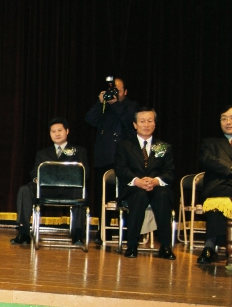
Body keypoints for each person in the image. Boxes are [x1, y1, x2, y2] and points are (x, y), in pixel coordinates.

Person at [11, 118, 90, 245]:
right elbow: (34, 171)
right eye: (53, 131)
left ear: (67, 131)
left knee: (81, 191)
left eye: (60, 130)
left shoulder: (79, 151)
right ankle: (23, 233)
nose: (57, 134)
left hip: (70, 190)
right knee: (25, 189)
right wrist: (36, 178)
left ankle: (78, 235)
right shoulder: (43, 153)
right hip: (47, 190)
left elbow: (85, 173)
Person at [114, 107, 175, 259]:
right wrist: (137, 181)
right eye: (142, 121)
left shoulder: (164, 147)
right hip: (133, 187)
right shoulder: (124, 145)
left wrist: (155, 181)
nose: (146, 125)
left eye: (150, 121)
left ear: (155, 124)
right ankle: (132, 245)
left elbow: (170, 172)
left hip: (157, 187)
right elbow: (121, 169)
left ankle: (165, 246)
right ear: (135, 124)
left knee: (163, 195)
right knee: (139, 196)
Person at [85, 77, 137, 232]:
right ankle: (103, 232)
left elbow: (130, 123)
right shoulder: (104, 106)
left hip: (124, 158)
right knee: (104, 197)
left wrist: (116, 105)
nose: (114, 94)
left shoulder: (131, 106)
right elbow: (90, 119)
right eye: (111, 91)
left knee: (126, 197)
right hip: (105, 157)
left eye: (118, 90)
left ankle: (128, 232)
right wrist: (99, 103)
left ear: (125, 92)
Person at [195, 105, 232, 264]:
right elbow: (207, 160)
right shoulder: (211, 143)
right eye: (224, 118)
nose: (228, 122)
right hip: (219, 187)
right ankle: (209, 247)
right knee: (218, 202)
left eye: (231, 118)